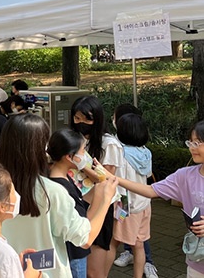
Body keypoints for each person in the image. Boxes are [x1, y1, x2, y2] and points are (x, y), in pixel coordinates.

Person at [0, 114, 119, 278]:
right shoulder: (51, 191)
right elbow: (85, 239)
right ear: (38, 148)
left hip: (6, 270)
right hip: (47, 272)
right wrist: (104, 200)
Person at [112, 120, 204, 277]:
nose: (192, 148)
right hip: (197, 261)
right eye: (191, 142)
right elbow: (150, 190)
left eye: (198, 143)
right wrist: (113, 179)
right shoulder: (185, 176)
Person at [70, 95, 124, 278]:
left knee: (94, 272)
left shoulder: (109, 144)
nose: (81, 123)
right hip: (76, 205)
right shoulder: (73, 139)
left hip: (99, 207)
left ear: (97, 119)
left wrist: (80, 164)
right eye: (77, 118)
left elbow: (107, 180)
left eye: (87, 119)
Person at [110, 104, 158, 278]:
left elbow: (117, 181)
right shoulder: (146, 152)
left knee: (113, 241)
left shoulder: (121, 154)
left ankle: (100, 272)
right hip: (144, 205)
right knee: (139, 244)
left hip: (126, 208)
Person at [46, 129, 94, 278]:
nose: (84, 155)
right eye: (82, 151)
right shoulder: (59, 187)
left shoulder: (60, 176)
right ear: (69, 157)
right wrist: (103, 200)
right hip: (73, 252)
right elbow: (82, 226)